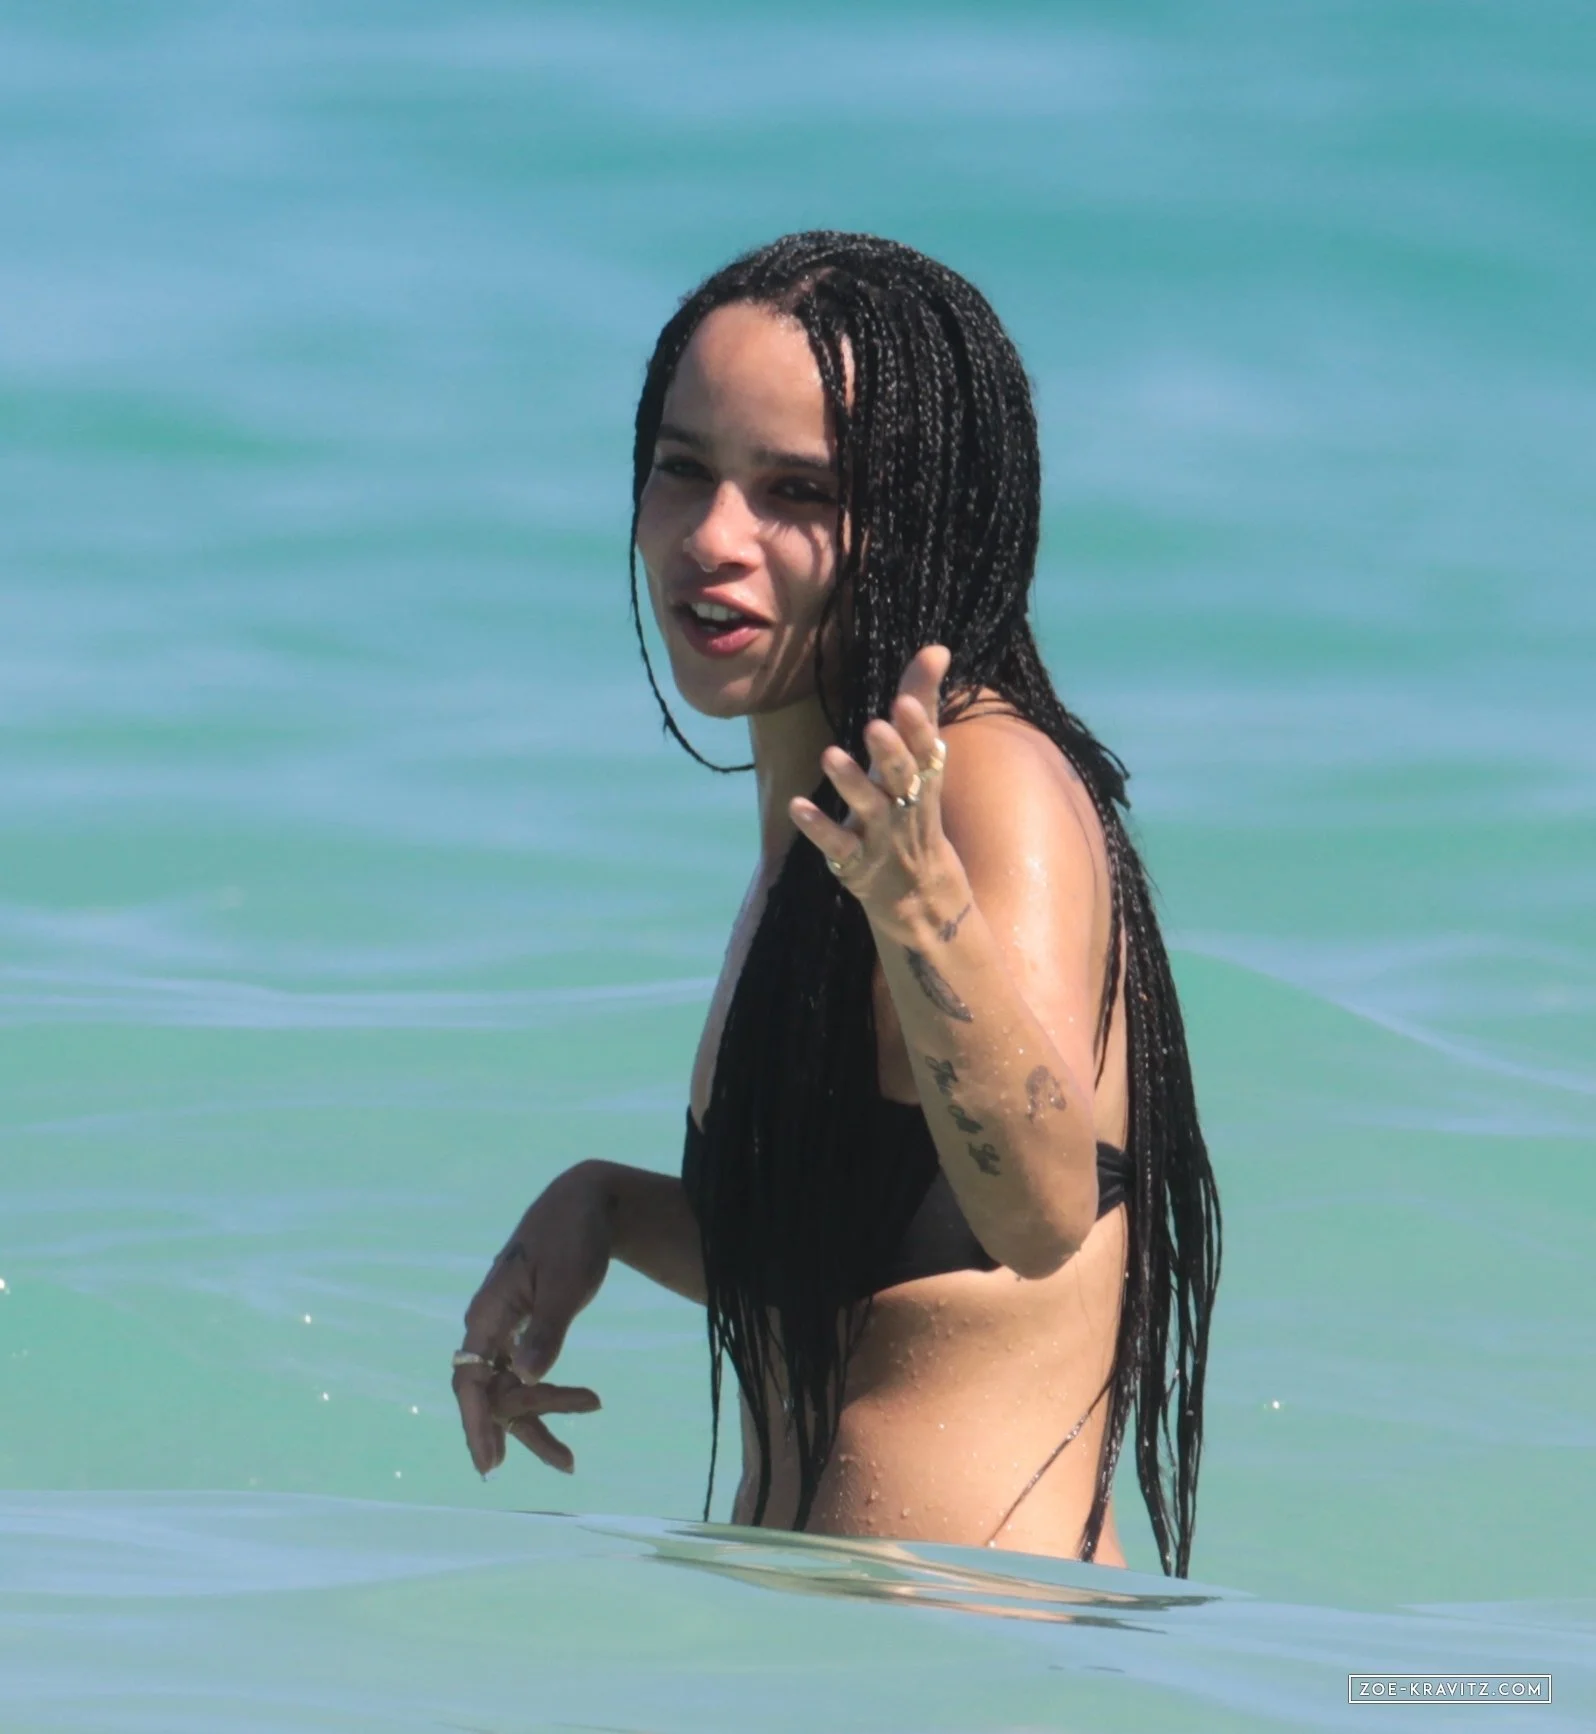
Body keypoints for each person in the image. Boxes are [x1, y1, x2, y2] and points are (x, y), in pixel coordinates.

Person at [452, 233, 1221, 1574]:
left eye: (797, 491)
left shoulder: (985, 783)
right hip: (822, 1643)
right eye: (682, 470)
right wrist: (605, 1209)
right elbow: (868, 1250)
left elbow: (1038, 1215)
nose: (712, 539)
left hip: (978, 1645)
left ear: (921, 516)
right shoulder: (831, 815)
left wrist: (919, 910)